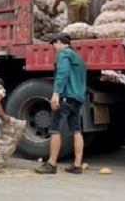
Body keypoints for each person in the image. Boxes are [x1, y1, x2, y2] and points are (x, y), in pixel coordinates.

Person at [34, 32, 87, 175]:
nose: (53, 48)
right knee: (76, 130)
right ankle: (77, 165)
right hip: (77, 98)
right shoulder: (78, 58)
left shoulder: (63, 54)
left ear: (58, 42)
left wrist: (56, 93)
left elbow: (62, 73)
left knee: (54, 129)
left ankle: (51, 164)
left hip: (65, 97)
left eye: (53, 44)